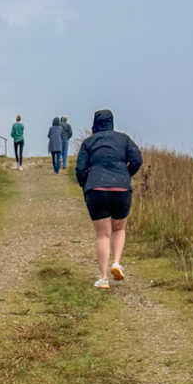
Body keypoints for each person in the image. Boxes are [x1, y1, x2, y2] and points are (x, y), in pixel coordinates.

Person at [75, 109, 143, 288]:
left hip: (96, 189)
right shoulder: (124, 139)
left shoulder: (89, 142)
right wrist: (126, 175)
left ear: (95, 123)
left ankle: (103, 277)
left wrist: (86, 184)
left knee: (103, 235)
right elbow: (137, 159)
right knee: (119, 229)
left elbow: (80, 169)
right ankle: (116, 263)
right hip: (121, 188)